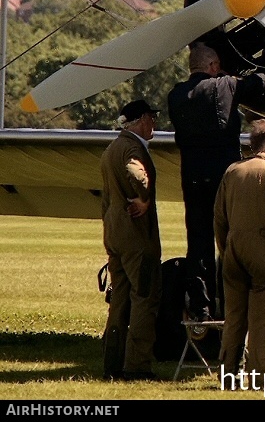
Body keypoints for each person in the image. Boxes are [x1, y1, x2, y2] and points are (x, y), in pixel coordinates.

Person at [168, 42, 265, 321]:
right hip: (224, 178)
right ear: (213, 67)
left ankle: (200, 308)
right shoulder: (224, 85)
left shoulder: (174, 95)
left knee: (198, 240)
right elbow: (259, 82)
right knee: (234, 237)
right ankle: (235, 300)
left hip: (192, 178)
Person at [214, 119, 265, 375]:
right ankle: (261, 375)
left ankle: (227, 372)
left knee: (234, 316)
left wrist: (226, 248)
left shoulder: (232, 170)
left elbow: (218, 216)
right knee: (261, 318)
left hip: (232, 248)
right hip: (260, 249)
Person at [100, 99, 162, 380]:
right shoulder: (132, 148)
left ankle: (112, 362)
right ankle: (136, 366)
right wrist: (144, 198)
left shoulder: (111, 147)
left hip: (115, 234)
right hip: (137, 237)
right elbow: (138, 175)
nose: (154, 124)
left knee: (119, 302)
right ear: (142, 119)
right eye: (152, 117)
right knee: (144, 298)